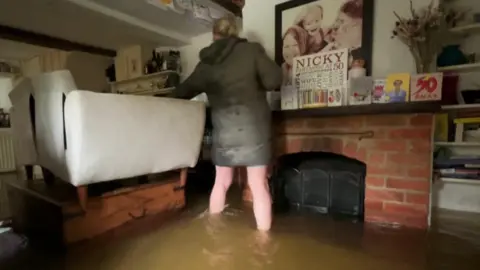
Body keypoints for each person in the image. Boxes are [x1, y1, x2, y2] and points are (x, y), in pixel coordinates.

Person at [173, 15, 282, 231]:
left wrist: (152, 102)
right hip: (254, 131)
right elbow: (274, 80)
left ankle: (215, 234)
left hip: (224, 133)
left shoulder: (205, 64)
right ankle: (264, 244)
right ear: (235, 33)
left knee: (221, 183)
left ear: (214, 36)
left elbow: (181, 93)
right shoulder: (251, 51)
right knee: (259, 185)